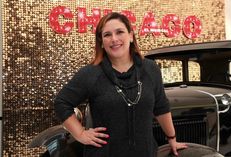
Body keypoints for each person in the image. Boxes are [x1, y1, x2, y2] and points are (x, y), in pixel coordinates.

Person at [54, 12, 187, 157]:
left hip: (145, 152)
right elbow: (61, 102)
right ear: (101, 42)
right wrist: (80, 134)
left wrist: (172, 139)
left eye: (119, 32)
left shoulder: (150, 69)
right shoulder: (91, 73)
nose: (114, 39)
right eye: (107, 35)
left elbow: (161, 107)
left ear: (130, 36)